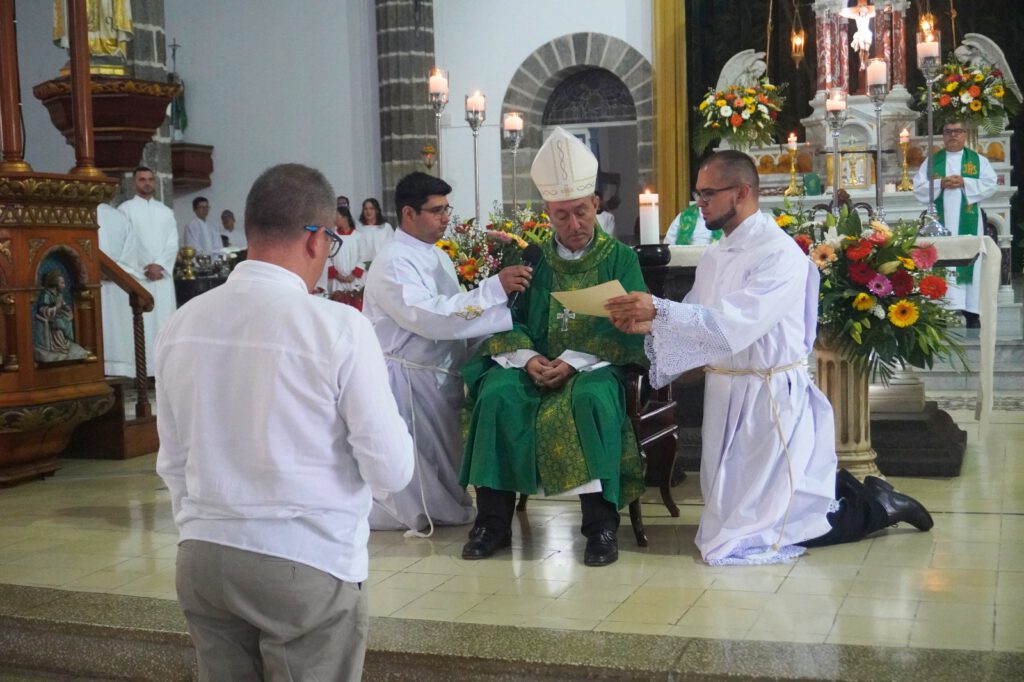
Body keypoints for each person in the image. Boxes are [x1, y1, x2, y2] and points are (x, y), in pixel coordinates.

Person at [606, 150, 934, 566]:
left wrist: (658, 311)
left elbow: (737, 322)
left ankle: (880, 507)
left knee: (772, 526)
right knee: (743, 512)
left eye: (708, 194)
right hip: (726, 392)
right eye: (698, 193)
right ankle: (860, 494)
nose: (699, 203)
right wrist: (650, 325)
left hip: (767, 395)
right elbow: (698, 317)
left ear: (742, 192)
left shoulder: (778, 253)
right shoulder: (715, 255)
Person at [155, 163, 414, 681]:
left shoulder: (182, 322)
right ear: (317, 239)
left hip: (204, 555)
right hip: (303, 559)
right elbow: (391, 468)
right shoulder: (338, 326)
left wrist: (209, 519)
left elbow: (174, 459)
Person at [459, 128, 648, 567]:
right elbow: (509, 319)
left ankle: (601, 528)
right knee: (497, 394)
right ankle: (491, 523)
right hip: (533, 366)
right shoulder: (531, 259)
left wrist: (573, 362)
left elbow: (631, 323)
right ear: (548, 213)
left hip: (595, 367)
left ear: (596, 204)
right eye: (562, 216)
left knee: (590, 400)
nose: (574, 225)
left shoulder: (621, 259)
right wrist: (527, 359)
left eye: (581, 212)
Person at [362, 172, 532, 534]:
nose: (445, 218)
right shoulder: (393, 261)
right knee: (418, 464)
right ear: (409, 213)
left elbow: (454, 315)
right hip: (409, 379)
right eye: (436, 210)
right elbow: (430, 317)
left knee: (442, 458)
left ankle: (442, 508)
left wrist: (501, 346)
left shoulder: (436, 256)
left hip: (438, 374)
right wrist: (493, 289)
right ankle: (411, 512)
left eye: (446, 209)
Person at [913, 122, 997, 328]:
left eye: (957, 131)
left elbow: (991, 184)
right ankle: (941, 310)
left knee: (971, 260)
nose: (953, 135)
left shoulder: (978, 160)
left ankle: (972, 311)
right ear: (943, 135)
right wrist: (940, 183)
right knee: (941, 260)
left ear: (965, 134)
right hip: (939, 222)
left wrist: (965, 182)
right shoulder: (933, 161)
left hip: (969, 221)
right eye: (948, 132)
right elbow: (919, 187)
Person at [119, 166, 179, 376]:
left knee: (164, 322)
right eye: (142, 179)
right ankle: (141, 372)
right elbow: (126, 243)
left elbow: (172, 242)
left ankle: (164, 371)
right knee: (141, 324)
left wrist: (160, 265)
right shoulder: (125, 210)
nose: (147, 183)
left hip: (161, 277)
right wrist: (143, 266)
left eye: (150, 179)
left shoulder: (165, 211)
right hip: (139, 277)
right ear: (134, 183)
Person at [96, 202, 142, 376]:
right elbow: (130, 255)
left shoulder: (119, 217)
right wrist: (117, 270)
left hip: (110, 284)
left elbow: (131, 252)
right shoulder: (119, 217)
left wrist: (101, 271)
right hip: (110, 281)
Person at [356, 197, 394, 264]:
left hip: (382, 264)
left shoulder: (386, 227)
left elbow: (391, 247)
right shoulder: (358, 228)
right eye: (365, 209)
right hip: (362, 265)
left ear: (377, 210)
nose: (368, 212)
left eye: (371, 208)